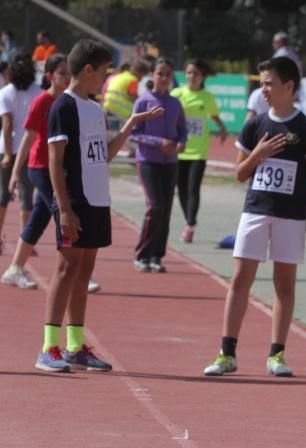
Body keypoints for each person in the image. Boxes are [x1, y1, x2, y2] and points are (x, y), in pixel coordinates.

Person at [36, 38, 163, 373]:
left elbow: (103, 155)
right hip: (74, 200)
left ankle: (76, 347)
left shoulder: (93, 108)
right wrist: (64, 209)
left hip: (97, 200)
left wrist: (131, 125)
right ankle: (49, 346)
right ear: (88, 69)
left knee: (83, 272)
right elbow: (54, 160)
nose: (106, 79)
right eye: (104, 72)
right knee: (65, 270)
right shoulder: (63, 107)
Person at [202, 56, 306, 378]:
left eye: (269, 83)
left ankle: (277, 355)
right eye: (261, 83)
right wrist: (258, 155)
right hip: (256, 211)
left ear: (289, 86)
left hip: (292, 216)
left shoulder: (305, 129)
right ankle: (227, 353)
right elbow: (240, 174)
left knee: (284, 286)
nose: (264, 90)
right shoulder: (255, 125)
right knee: (240, 278)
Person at [2, 53, 70, 289]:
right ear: (50, 76)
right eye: (62, 73)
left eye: (69, 72)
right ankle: (75, 269)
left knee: (38, 220)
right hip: (40, 168)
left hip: (60, 168)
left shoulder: (71, 101)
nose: (67, 77)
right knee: (64, 213)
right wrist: (14, 172)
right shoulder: (42, 102)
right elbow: (28, 138)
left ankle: (14, 269)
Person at [130, 58, 186, 273]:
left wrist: (180, 144)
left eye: (167, 75)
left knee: (166, 210)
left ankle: (156, 256)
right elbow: (134, 133)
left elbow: (182, 130)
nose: (163, 78)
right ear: (152, 76)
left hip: (170, 163)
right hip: (148, 162)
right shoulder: (143, 102)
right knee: (155, 207)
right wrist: (157, 143)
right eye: (159, 73)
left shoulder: (175, 103)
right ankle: (142, 254)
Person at [172, 59, 227, 244]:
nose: (192, 77)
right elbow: (166, 112)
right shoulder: (177, 94)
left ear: (202, 77)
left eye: (195, 73)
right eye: (188, 73)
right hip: (180, 149)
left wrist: (222, 128)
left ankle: (190, 224)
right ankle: (190, 219)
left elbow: (213, 115)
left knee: (193, 188)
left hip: (198, 151)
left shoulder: (207, 97)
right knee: (181, 189)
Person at [0, 54, 43, 253]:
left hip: (7, 149)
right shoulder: (39, 92)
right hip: (31, 149)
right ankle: (25, 241)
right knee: (28, 196)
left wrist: (8, 154)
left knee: (3, 195)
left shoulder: (6, 92)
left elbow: (7, 126)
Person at [102, 58, 148, 131]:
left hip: (107, 107)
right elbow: (133, 98)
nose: (141, 79)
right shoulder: (133, 79)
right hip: (120, 111)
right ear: (139, 72)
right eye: (142, 76)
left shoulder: (119, 76)